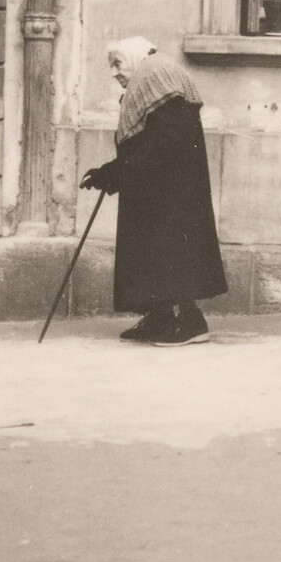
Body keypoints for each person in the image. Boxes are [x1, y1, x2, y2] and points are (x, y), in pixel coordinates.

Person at [80, 36, 227, 345]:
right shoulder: (153, 76)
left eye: (118, 64)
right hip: (161, 184)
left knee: (174, 249)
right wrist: (114, 173)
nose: (114, 72)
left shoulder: (155, 75)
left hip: (171, 187)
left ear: (134, 58)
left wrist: (115, 172)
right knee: (154, 249)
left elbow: (165, 142)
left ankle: (191, 323)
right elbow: (153, 139)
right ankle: (160, 317)